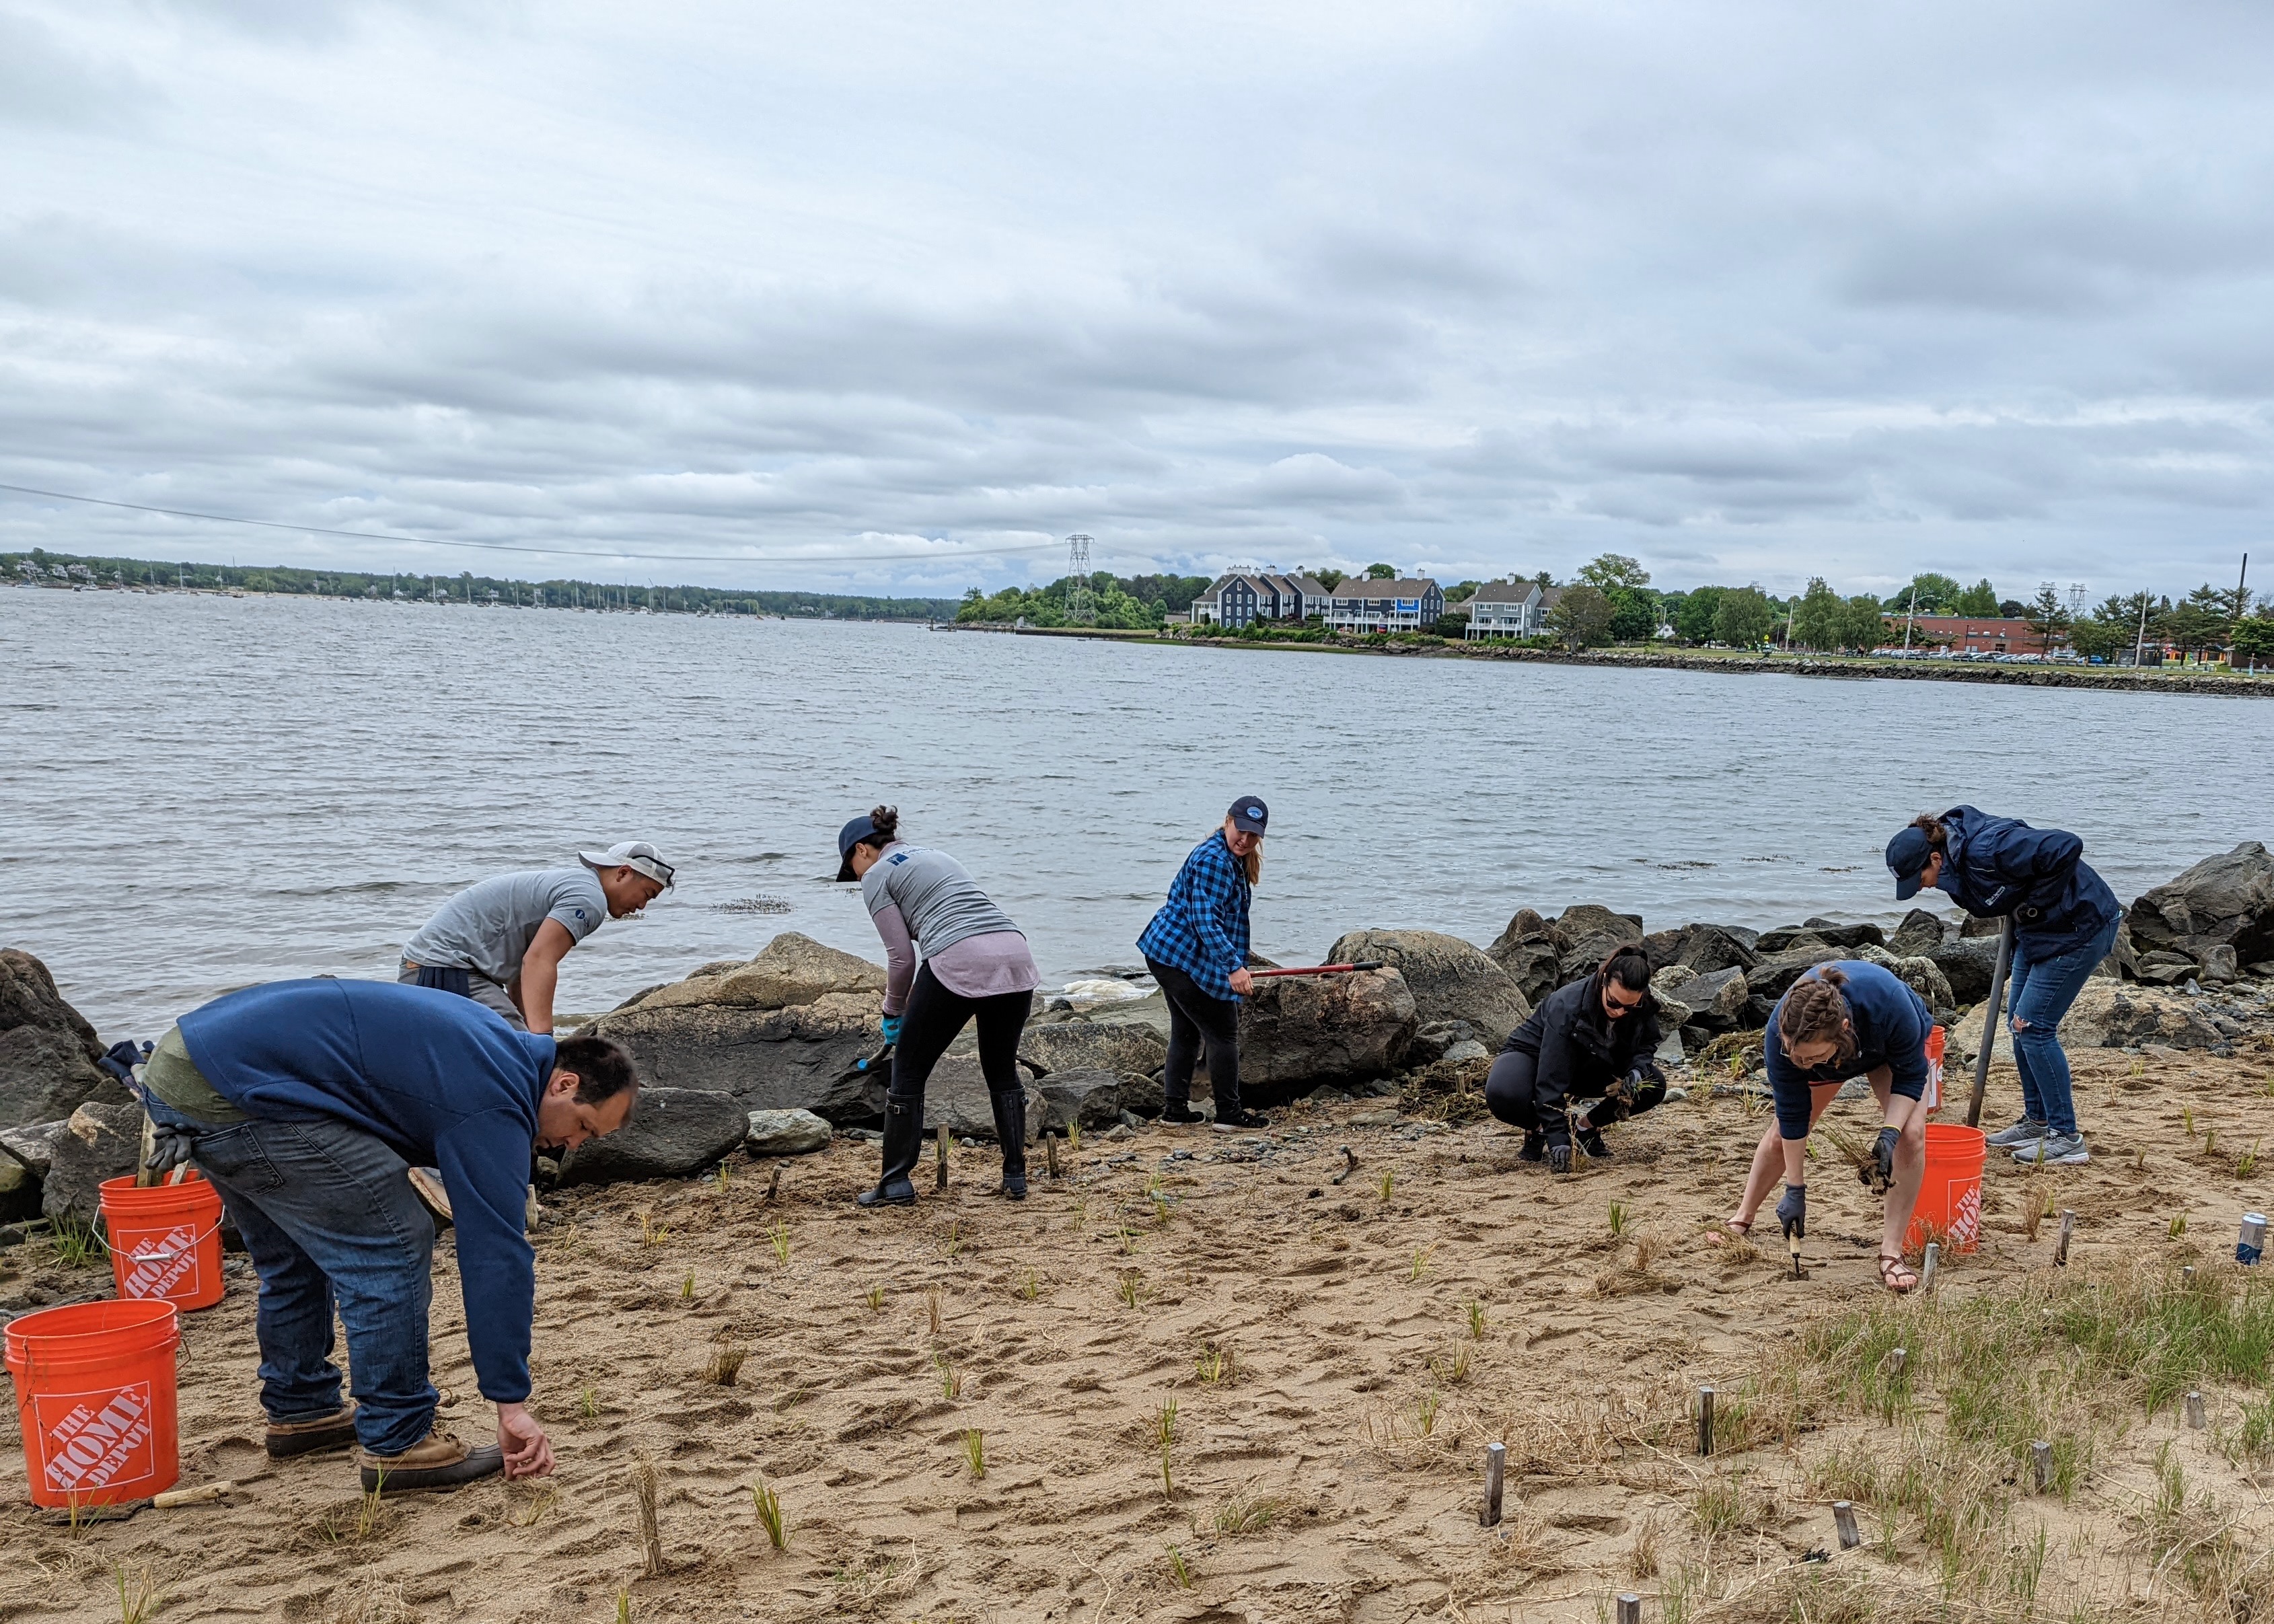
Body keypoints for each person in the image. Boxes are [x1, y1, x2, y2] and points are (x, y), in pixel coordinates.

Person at [135, 978, 640, 1492]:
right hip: (237, 1090)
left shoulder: (498, 1049)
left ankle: (302, 1409)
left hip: (188, 1069)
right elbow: (496, 1254)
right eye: (583, 1127)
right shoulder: (494, 1100)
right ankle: (399, 1440)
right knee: (392, 1242)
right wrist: (510, 1403)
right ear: (564, 1084)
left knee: (295, 1254)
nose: (572, 1145)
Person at [1885, 807, 2120, 1167]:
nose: (1921, 887)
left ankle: (2066, 1136)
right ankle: (2037, 1121)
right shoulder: (1956, 859)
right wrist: (2026, 911)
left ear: (1935, 857)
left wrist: (2032, 906)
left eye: (1920, 878)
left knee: (2034, 1026)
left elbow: (2066, 846)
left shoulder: (1988, 848)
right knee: (2018, 1022)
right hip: (2040, 934)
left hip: (2080, 926)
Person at [836, 807, 1039, 1206]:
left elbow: (901, 958)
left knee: (908, 1070)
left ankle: (895, 1183)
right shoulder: (936, 855)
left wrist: (893, 1011)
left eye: (852, 867)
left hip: (958, 957)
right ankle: (1016, 1177)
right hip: (1015, 953)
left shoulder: (877, 874)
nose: (856, 877)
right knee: (1000, 1068)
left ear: (863, 849)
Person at [1720, 961, 1933, 1293]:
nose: (1802, 1065)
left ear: (1844, 1028)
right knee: (1780, 1136)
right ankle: (1743, 1216)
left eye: (1811, 1057)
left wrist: (1889, 1134)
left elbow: (1911, 1076)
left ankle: (1891, 1251)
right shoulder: (1783, 1037)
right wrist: (1795, 1190)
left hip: (1887, 1050)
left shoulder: (1890, 1004)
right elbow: (1793, 1116)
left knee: (1911, 1137)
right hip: (1834, 1058)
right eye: (1797, 1056)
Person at [398, 841, 675, 1034]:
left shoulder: (576, 883)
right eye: (647, 894)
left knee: (519, 1046)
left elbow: (522, 971)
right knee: (519, 1053)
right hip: (443, 969)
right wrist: (542, 1037)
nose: (642, 906)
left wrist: (530, 1027)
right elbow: (539, 961)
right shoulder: (589, 898)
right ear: (623, 873)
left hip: (433, 967)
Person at [1137, 797, 1272, 1131]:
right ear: (1228, 821)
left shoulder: (1233, 858)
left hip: (1171, 954)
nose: (1245, 840)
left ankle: (1175, 1112)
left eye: (1253, 836)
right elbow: (1205, 922)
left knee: (1186, 1032)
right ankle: (1229, 1114)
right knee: (1224, 1032)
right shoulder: (1213, 859)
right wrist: (1234, 967)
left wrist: (1231, 963)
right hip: (1176, 956)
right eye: (1240, 831)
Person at [1483, 945, 1667, 1171]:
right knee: (1503, 1092)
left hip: (1592, 1061)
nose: (1620, 1012)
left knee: (1654, 1085)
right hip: (1534, 1055)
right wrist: (1558, 1140)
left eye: (1629, 1007)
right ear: (1604, 980)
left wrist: (1636, 1070)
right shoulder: (1566, 1006)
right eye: (1613, 1003)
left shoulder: (1642, 1002)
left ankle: (1585, 1129)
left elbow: (1647, 1043)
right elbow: (1550, 1079)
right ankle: (1538, 1129)